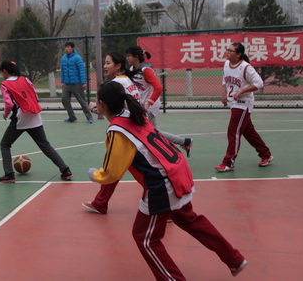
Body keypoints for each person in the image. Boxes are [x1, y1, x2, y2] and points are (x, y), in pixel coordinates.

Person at [88, 81, 247, 280]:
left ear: (102, 104)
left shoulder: (117, 131)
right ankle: (234, 258)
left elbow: (112, 172)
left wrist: (95, 175)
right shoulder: (134, 114)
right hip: (178, 170)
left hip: (162, 183)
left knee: (145, 238)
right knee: (188, 219)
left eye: (96, 101)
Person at [83, 52, 191, 215]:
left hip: (130, 131)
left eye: (108, 63)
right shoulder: (126, 80)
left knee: (143, 172)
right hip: (134, 126)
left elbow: (113, 108)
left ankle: (166, 205)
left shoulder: (116, 84)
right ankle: (101, 202)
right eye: (104, 63)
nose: (105, 66)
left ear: (118, 66)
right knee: (118, 165)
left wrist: (94, 107)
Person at [0, 60, 73, 183]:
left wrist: (5, 114)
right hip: (35, 115)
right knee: (45, 145)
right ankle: (65, 170)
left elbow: (9, 104)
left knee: (5, 144)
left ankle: (9, 174)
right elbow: (35, 96)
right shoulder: (25, 79)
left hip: (21, 117)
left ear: (4, 71)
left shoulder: (5, 84)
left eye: (1, 72)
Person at [216, 42, 273, 172]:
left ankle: (228, 162)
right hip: (234, 102)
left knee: (233, 131)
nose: (227, 52)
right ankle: (266, 154)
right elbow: (225, 80)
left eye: (230, 50)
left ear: (238, 54)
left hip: (243, 103)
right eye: (227, 49)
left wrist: (241, 91)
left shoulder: (245, 67)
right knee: (248, 132)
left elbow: (259, 83)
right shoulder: (227, 64)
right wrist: (224, 94)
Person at [126, 46, 192, 156]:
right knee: (153, 132)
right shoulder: (132, 69)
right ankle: (184, 142)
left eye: (129, 56)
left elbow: (158, 87)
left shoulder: (146, 70)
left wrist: (149, 102)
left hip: (149, 106)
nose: (127, 58)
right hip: (141, 104)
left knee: (150, 132)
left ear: (136, 57)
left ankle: (176, 146)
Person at [61, 41, 93, 123]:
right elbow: (63, 71)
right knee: (64, 100)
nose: (67, 49)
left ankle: (89, 117)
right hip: (67, 84)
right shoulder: (63, 58)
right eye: (66, 47)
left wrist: (83, 82)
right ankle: (72, 117)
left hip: (77, 84)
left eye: (69, 47)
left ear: (72, 48)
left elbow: (81, 70)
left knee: (82, 101)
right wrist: (63, 81)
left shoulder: (77, 58)